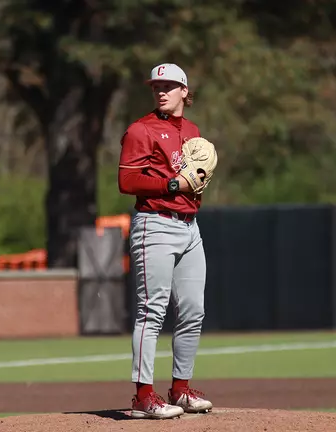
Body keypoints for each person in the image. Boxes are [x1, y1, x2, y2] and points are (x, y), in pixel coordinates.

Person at [117, 63, 213, 419]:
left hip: (190, 226)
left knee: (193, 311)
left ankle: (181, 389)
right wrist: (172, 185)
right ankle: (143, 395)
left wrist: (195, 183)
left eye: (170, 85)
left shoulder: (192, 130)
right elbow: (126, 182)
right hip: (154, 224)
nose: (162, 90)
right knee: (151, 311)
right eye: (157, 85)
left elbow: (194, 177)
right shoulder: (140, 130)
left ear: (185, 92)